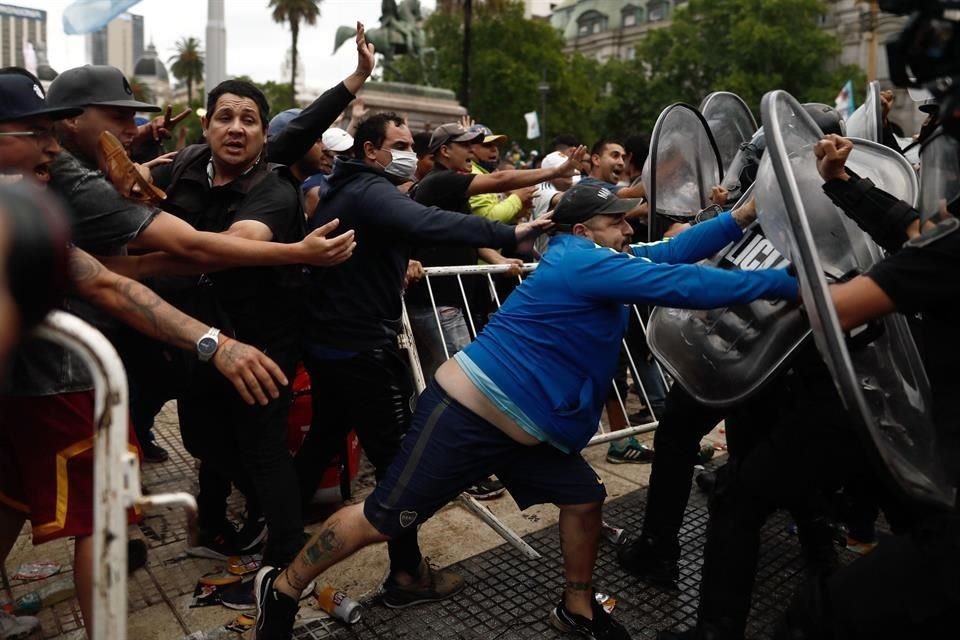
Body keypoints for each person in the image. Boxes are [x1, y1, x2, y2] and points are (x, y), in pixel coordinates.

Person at [254, 181, 799, 640]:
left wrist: (740, 217)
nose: (629, 230)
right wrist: (789, 286)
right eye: (617, 222)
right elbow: (684, 282)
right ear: (583, 230)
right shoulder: (581, 262)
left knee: (585, 499)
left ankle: (577, 609)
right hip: (466, 416)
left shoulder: (595, 258)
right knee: (383, 519)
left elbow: (670, 254)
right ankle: (280, 589)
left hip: (524, 430)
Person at [0, 69, 289, 632]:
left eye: (249, 120)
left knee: (10, 499)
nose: (51, 149)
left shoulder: (53, 187)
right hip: (65, 383)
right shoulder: (67, 185)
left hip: (69, 376)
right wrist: (296, 252)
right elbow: (181, 250)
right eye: (35, 134)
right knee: (103, 515)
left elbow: (108, 275)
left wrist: (212, 341)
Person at [287, 111, 554, 616]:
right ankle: (407, 574)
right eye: (402, 143)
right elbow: (426, 222)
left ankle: (280, 530)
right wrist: (508, 233)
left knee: (327, 434)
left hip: (335, 343)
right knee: (399, 465)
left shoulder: (351, 187)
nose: (412, 151)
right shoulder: (369, 189)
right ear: (371, 150)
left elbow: (390, 237)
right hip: (357, 348)